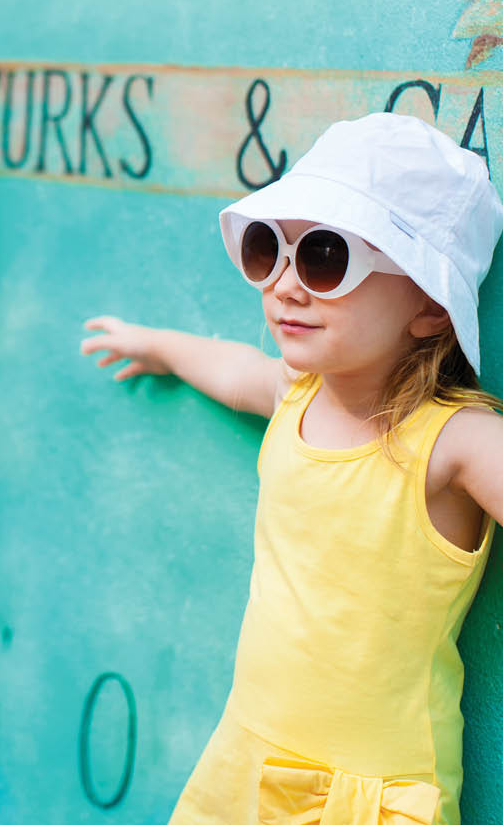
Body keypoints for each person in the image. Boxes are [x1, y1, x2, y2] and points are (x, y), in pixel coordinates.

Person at [81, 112, 503, 825]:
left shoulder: (453, 441)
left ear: (430, 306)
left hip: (364, 796)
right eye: (266, 250)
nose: (284, 286)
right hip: (247, 757)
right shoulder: (295, 393)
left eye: (325, 259)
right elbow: (235, 370)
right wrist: (159, 346)